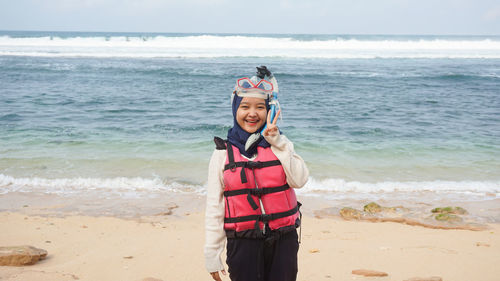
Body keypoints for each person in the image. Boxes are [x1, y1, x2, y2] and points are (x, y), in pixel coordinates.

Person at [204, 66, 309, 281]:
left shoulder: (280, 144)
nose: (252, 113)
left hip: (283, 241)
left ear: (269, 110)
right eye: (245, 107)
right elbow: (214, 207)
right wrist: (212, 253)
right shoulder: (222, 154)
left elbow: (299, 179)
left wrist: (278, 141)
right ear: (235, 110)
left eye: (260, 107)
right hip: (243, 243)